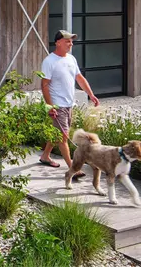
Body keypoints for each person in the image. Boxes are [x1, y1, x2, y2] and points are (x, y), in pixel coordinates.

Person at [39, 30, 100, 174]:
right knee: (63, 137)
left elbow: (79, 78)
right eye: (67, 41)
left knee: (58, 133)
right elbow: (44, 85)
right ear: (58, 42)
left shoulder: (71, 59)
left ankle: (45, 156)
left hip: (69, 104)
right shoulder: (49, 61)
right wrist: (50, 106)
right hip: (57, 105)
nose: (70, 44)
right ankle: (73, 168)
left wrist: (91, 94)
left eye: (71, 41)